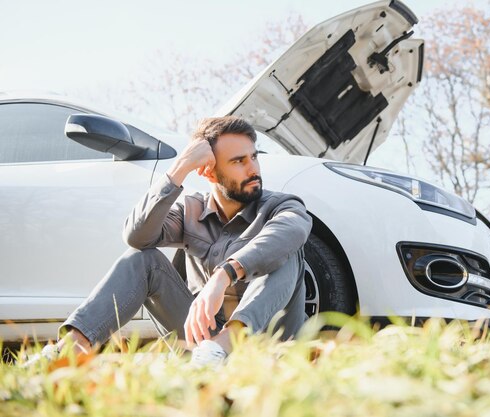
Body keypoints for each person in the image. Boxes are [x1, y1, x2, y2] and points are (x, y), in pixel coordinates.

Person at [31, 116, 312, 367]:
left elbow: (291, 232)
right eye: (239, 161)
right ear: (208, 172)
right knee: (141, 258)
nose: (253, 169)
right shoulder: (190, 210)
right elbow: (137, 236)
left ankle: (223, 346)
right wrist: (179, 168)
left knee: (289, 253)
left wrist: (224, 275)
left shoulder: (282, 206)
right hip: (201, 342)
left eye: (254, 157)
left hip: (269, 346)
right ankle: (70, 349)